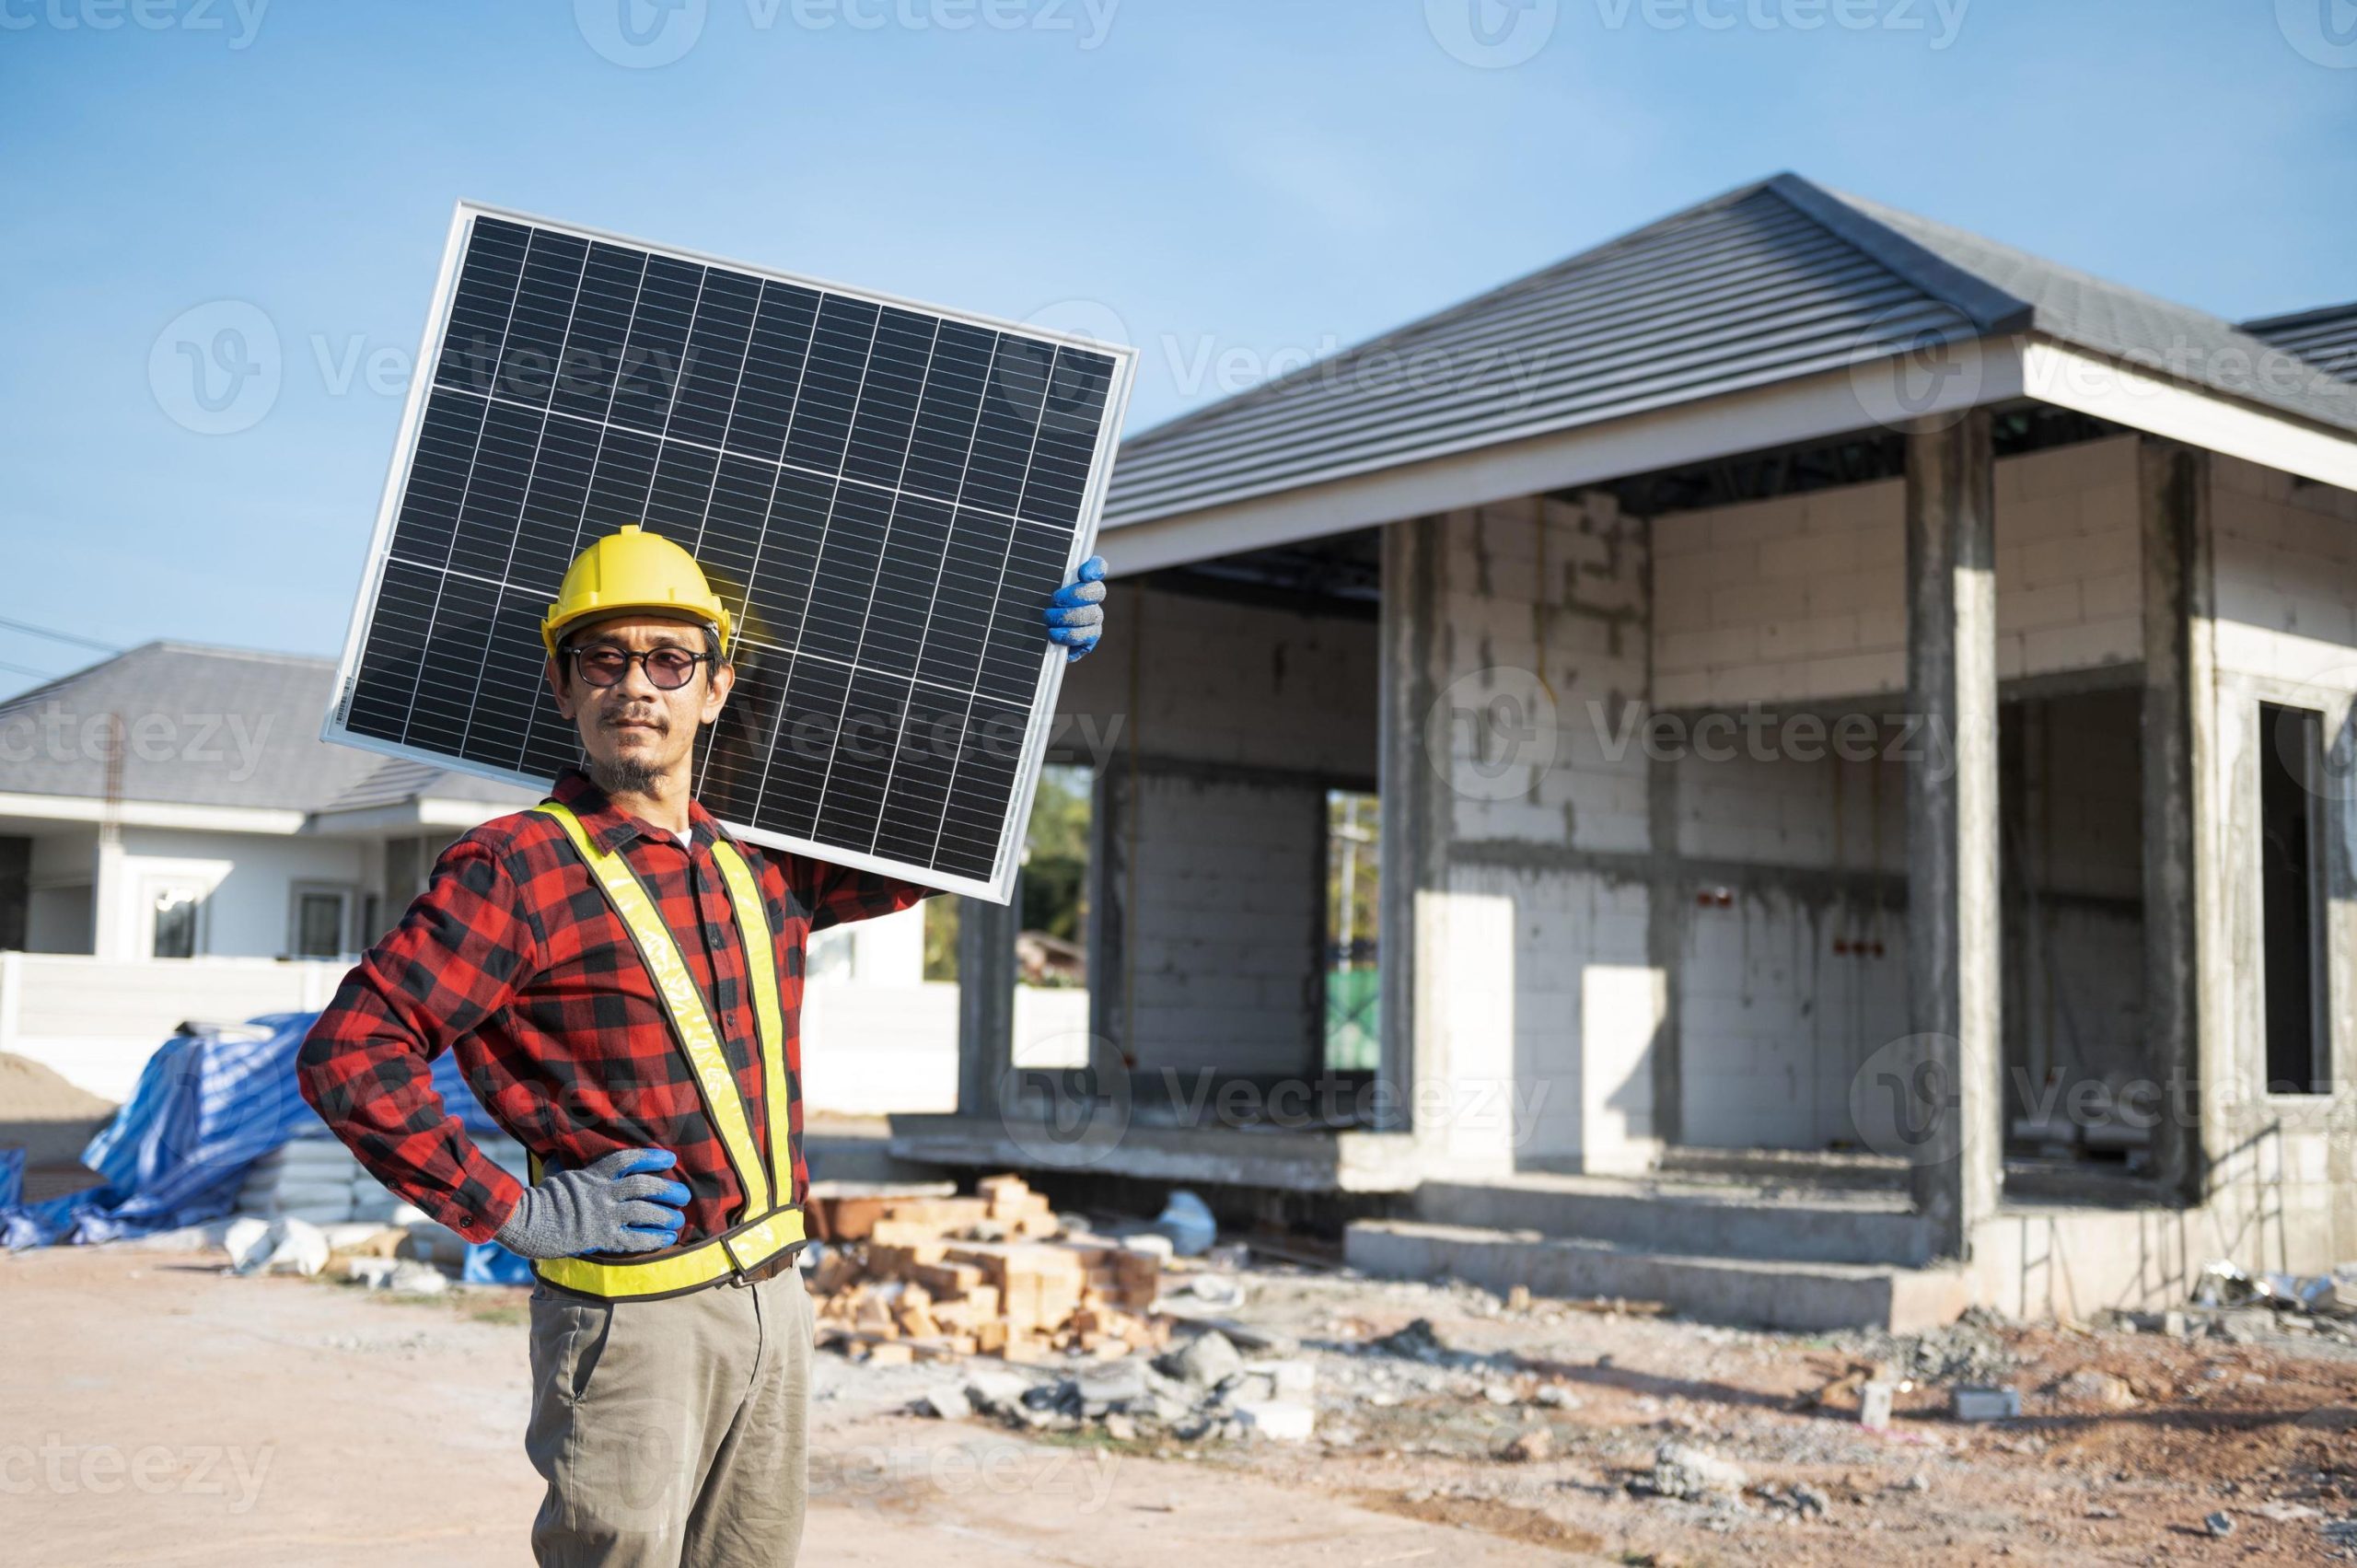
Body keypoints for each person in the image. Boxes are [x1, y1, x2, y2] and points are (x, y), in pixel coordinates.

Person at [297, 523, 1109, 1566]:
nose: (636, 684)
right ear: (563, 687)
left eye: (669, 659)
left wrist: (1029, 674)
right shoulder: (517, 866)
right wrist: (515, 1209)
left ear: (714, 689)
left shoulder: (754, 859)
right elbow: (351, 1051)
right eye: (604, 659)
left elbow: (942, 842)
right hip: (634, 1331)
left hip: (775, 1302)